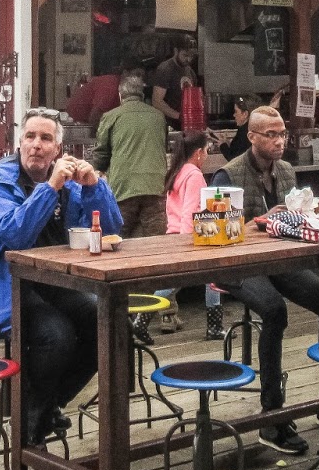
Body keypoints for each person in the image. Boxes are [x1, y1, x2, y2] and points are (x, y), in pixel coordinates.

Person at [0, 109, 122, 445]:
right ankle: (30, 427)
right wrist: (50, 187)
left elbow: (110, 228)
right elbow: (15, 235)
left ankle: (45, 406)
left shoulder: (68, 184)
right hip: (6, 284)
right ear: (19, 144)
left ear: (57, 149)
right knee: (56, 335)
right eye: (30, 137)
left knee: (108, 321)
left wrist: (94, 186)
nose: (36, 144)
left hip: (56, 281)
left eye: (46, 138)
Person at [211, 105, 319, 455]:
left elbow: (294, 220)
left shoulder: (285, 170)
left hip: (278, 261)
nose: (280, 140)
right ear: (251, 137)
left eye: (282, 133)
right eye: (271, 134)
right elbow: (213, 230)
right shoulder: (227, 175)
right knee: (274, 310)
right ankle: (272, 415)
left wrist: (311, 213)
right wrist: (261, 221)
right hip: (235, 264)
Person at [154, 131, 223, 339]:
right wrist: (188, 242)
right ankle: (214, 327)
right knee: (184, 281)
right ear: (199, 152)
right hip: (189, 236)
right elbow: (191, 211)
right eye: (207, 150)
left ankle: (140, 318)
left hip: (175, 234)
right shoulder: (194, 175)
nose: (207, 155)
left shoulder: (178, 171)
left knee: (198, 278)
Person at [92, 74, 168, 237]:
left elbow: (102, 153)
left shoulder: (111, 116)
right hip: (155, 186)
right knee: (155, 240)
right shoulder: (159, 116)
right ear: (142, 94)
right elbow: (163, 145)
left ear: (120, 95)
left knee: (119, 238)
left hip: (123, 187)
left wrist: (97, 170)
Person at [216, 88, 285, 162]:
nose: (234, 115)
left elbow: (235, 160)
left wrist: (223, 145)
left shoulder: (245, 132)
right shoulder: (255, 128)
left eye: (236, 111)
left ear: (245, 114)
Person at [149, 36, 200, 124]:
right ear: (176, 51)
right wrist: (179, 116)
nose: (189, 59)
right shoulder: (165, 69)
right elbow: (156, 101)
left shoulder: (190, 71)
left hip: (185, 123)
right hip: (168, 123)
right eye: (185, 55)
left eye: (191, 56)